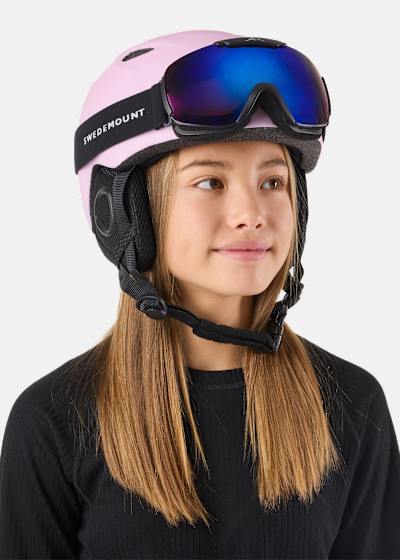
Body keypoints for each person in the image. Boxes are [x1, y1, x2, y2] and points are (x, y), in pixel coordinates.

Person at [1, 29, 399, 559]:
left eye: (273, 182)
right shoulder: (53, 423)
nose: (251, 214)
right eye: (211, 182)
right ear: (124, 214)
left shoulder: (353, 408)